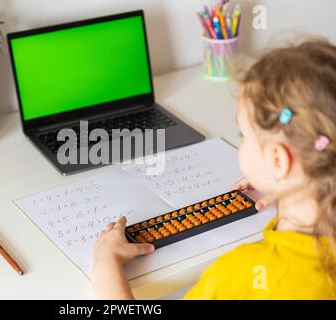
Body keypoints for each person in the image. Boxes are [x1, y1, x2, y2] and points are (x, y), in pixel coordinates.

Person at [92, 39, 336, 299]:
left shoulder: (240, 274)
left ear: (278, 161)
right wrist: (295, 186)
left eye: (243, 135)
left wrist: (106, 263)